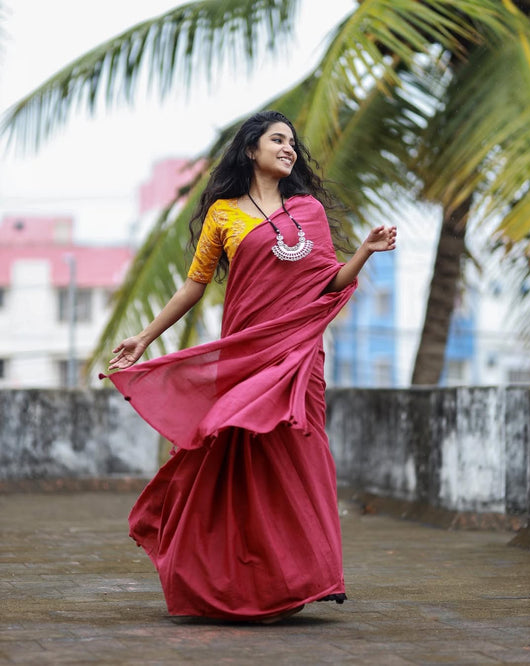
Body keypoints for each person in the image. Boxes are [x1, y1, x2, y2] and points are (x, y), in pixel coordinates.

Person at [105, 110, 396, 623]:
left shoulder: (308, 211)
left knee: (297, 458)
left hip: (299, 352)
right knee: (230, 447)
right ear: (250, 149)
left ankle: (297, 580)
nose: (289, 148)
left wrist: (366, 252)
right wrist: (145, 337)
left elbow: (328, 282)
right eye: (277, 140)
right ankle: (232, 580)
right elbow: (194, 286)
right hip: (245, 352)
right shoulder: (223, 214)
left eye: (292, 142)